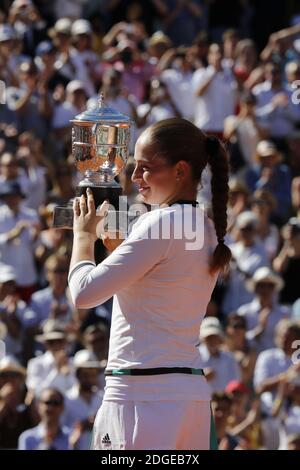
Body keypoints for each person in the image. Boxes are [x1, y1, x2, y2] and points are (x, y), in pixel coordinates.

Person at [68, 118, 231, 450]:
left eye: (145, 168)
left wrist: (83, 238)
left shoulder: (158, 222)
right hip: (188, 399)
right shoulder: (207, 226)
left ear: (180, 171)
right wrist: (117, 252)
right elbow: (159, 284)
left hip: (142, 395)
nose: (134, 178)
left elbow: (83, 294)